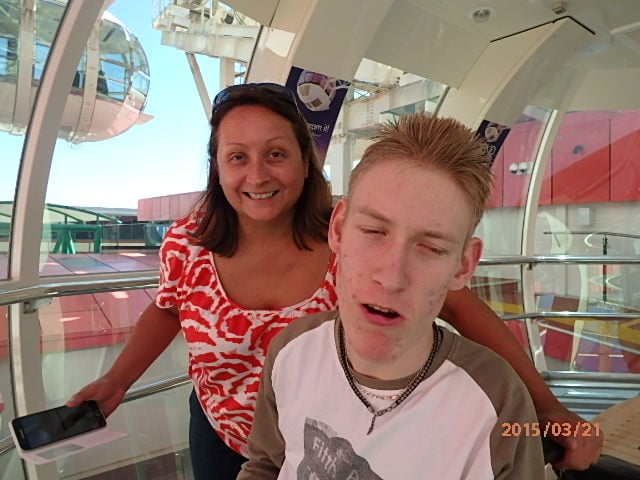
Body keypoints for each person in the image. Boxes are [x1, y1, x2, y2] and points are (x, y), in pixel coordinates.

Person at [66, 83, 600, 479]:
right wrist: (116, 384)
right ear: (218, 168)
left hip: (340, 437)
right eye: (237, 158)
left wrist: (543, 405)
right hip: (222, 432)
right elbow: (168, 307)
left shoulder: (361, 243)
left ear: (305, 162)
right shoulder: (188, 241)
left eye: (276, 154)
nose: (256, 176)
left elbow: (461, 309)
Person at [238, 113, 545, 479]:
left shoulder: (496, 403)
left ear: (464, 265)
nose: (392, 276)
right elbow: (267, 465)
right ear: (338, 229)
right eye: (372, 230)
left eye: (430, 247)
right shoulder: (291, 350)